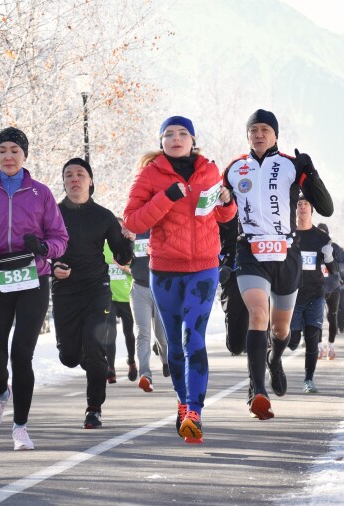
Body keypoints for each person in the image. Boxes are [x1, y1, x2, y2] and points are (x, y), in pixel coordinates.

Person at [124, 115, 236, 444]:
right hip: (166, 270)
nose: (176, 138)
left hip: (203, 267)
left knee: (193, 339)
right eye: (169, 134)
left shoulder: (209, 171)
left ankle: (195, 413)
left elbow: (223, 215)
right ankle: (183, 402)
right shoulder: (150, 174)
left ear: (192, 140)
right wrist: (166, 197)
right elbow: (132, 220)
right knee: (174, 344)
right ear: (161, 142)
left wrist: (227, 202)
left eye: (182, 133)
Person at [0, 127, 68, 451]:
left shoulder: (41, 193)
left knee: (22, 354)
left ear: (24, 155)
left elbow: (60, 238)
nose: (8, 156)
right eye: (2, 150)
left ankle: (20, 428)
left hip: (33, 279)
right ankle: (2, 393)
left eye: (14, 151)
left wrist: (44, 248)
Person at [223, 109, 333, 420]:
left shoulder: (290, 165)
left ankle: (274, 359)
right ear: (247, 135)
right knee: (258, 314)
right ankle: (257, 391)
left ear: (275, 135)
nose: (259, 134)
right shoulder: (234, 169)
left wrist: (311, 173)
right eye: (253, 129)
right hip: (251, 252)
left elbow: (326, 208)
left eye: (265, 129)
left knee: (280, 328)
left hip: (286, 254)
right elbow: (220, 214)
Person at [52, 158, 132, 430]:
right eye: (69, 175)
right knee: (69, 357)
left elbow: (122, 257)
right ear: (64, 182)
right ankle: (89, 359)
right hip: (64, 291)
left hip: (96, 289)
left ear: (91, 181)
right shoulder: (52, 214)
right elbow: (42, 250)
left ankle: (93, 408)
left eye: (80, 174)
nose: (74, 178)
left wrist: (128, 240)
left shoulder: (103, 216)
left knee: (95, 348)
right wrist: (53, 268)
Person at [286, 197, 338, 391]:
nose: (302, 208)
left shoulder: (321, 238)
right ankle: (289, 341)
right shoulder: (288, 235)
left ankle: (308, 380)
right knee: (293, 341)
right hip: (293, 295)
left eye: (306, 204)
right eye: (299, 205)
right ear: (295, 210)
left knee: (312, 338)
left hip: (315, 294)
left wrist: (329, 257)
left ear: (312, 209)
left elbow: (333, 270)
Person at [129, 229, 170, 393]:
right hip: (139, 288)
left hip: (160, 288)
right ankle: (145, 375)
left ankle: (166, 360)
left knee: (162, 335)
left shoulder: (161, 226)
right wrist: (126, 242)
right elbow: (122, 256)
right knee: (142, 333)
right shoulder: (133, 228)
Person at [104, 219, 136, 384]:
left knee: (128, 332)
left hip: (126, 297)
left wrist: (125, 268)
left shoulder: (129, 246)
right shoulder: (102, 247)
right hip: (109, 298)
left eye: (120, 229)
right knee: (110, 333)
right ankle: (110, 368)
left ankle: (131, 361)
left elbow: (138, 270)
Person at [316, 223, 344, 355]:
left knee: (332, 317)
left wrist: (335, 268)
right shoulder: (312, 247)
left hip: (333, 287)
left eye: (323, 232)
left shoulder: (334, 248)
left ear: (327, 234)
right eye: (318, 232)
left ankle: (331, 345)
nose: (321, 235)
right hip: (317, 287)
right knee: (317, 318)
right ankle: (319, 346)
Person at [219, 216, 249, 356]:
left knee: (256, 311)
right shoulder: (222, 208)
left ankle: (257, 339)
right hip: (231, 269)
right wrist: (219, 265)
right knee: (235, 346)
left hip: (255, 267)